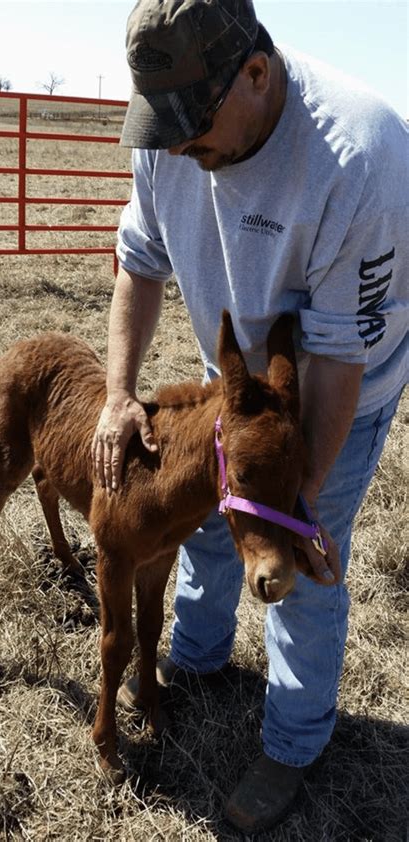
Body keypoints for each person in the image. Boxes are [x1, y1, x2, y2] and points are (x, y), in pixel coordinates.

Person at [92, 0, 408, 832]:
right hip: (231, 375)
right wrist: (121, 392)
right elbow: (138, 264)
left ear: (257, 75)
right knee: (199, 516)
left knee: (295, 564)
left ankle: (292, 744)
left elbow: (337, 356)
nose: (178, 152)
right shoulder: (172, 137)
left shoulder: (360, 160)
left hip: (333, 386)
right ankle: (195, 662)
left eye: (194, 133)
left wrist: (290, 497)